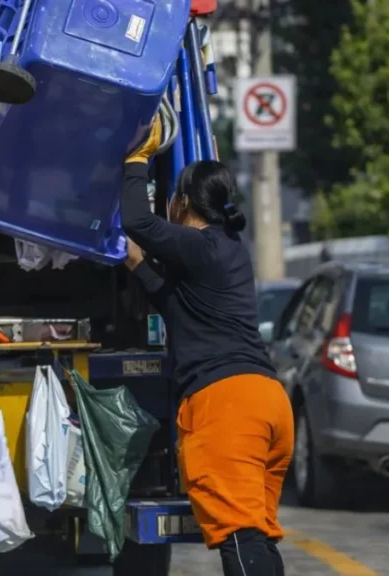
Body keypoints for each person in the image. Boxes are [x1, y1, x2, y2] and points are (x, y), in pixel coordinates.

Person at [121, 117, 294, 576]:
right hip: (268, 403)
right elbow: (179, 310)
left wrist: (137, 159)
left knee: (240, 539)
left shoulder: (198, 245)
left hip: (228, 407)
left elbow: (136, 220)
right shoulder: (227, 248)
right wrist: (140, 268)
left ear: (181, 203)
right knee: (255, 536)